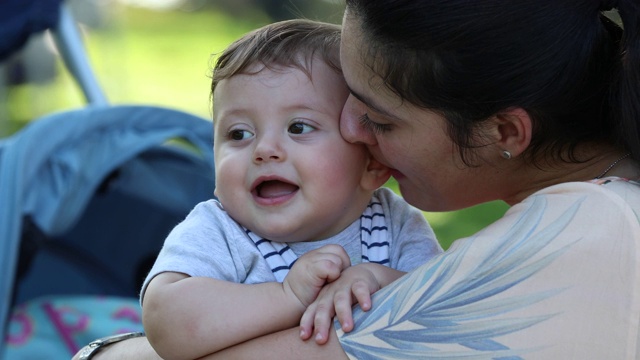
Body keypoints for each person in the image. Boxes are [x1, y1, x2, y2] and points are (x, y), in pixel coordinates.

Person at [75, 0, 640, 359]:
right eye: (238, 134)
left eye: (380, 117)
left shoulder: (591, 238)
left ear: (504, 132)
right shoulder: (216, 229)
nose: (351, 130)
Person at [138, 19, 441, 360]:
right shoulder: (219, 231)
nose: (264, 149)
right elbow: (168, 323)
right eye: (238, 134)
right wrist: (289, 296)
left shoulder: (393, 223)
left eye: (298, 127)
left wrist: (378, 278)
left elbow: (449, 307)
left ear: (372, 164)